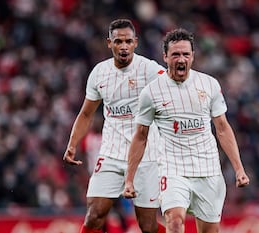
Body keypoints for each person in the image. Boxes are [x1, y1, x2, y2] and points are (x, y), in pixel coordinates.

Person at [122, 28, 250, 233]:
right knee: (174, 221)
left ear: (193, 56)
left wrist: (239, 169)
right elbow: (140, 136)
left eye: (185, 54)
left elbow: (223, 129)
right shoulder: (151, 93)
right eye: (175, 54)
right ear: (165, 56)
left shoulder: (209, 85)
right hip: (172, 169)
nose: (181, 59)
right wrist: (129, 178)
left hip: (208, 169)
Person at [63, 19, 166, 233]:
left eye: (128, 41)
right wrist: (72, 144)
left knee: (147, 226)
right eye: (118, 41)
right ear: (109, 43)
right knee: (94, 215)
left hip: (146, 155)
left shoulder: (148, 69)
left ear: (136, 42)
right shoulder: (99, 73)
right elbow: (85, 113)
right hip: (111, 153)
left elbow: (174, 86)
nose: (124, 46)